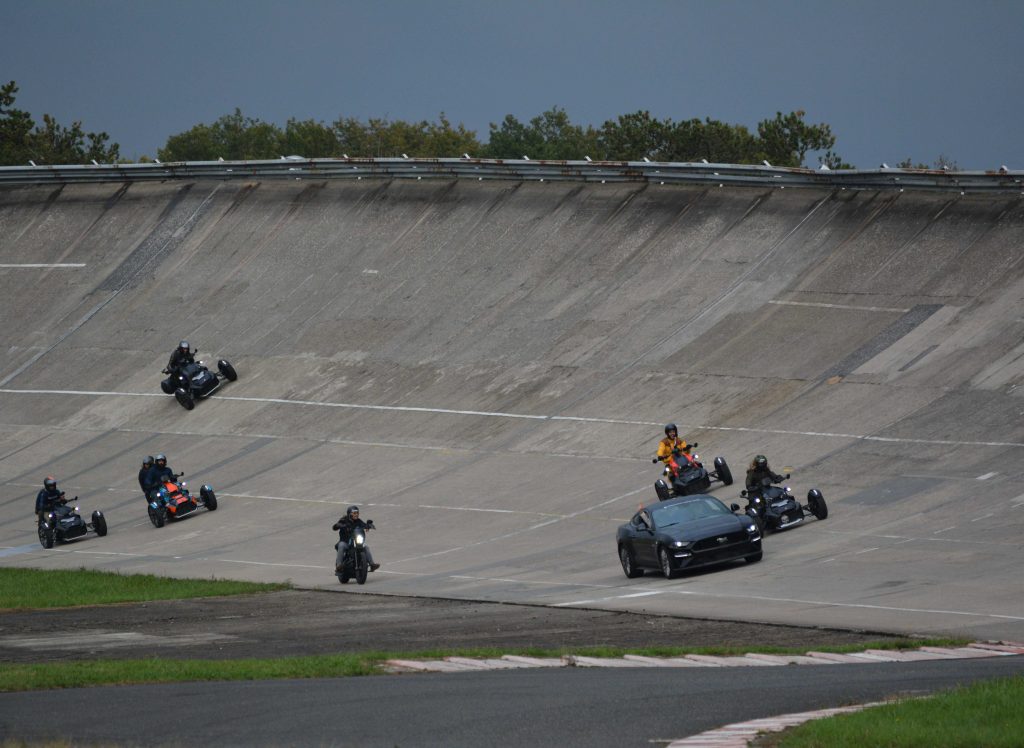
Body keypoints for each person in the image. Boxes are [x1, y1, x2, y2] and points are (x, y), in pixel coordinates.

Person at [332, 505, 380, 573]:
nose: (356, 514)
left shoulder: (358, 521)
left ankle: (372, 564)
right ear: (350, 514)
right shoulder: (344, 520)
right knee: (341, 545)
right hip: (346, 542)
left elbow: (363, 525)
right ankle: (339, 566)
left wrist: (368, 525)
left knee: (366, 547)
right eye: (354, 513)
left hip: (356, 542)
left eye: (357, 513)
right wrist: (339, 525)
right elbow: (334, 527)